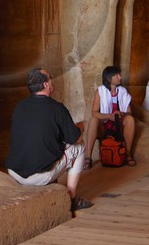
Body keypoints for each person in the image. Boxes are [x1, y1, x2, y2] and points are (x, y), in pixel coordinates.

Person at [6, 68, 90, 212]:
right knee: (80, 146)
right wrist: (81, 126)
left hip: (14, 171)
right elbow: (75, 138)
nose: (52, 80)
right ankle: (72, 197)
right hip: (38, 176)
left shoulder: (20, 107)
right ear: (46, 85)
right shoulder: (57, 108)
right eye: (50, 78)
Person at [84, 65, 137, 167]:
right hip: (105, 127)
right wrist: (109, 116)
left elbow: (129, 112)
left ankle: (128, 154)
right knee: (94, 120)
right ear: (109, 78)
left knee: (130, 119)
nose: (120, 77)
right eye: (117, 75)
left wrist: (121, 113)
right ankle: (88, 158)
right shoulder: (100, 91)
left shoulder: (122, 91)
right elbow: (94, 112)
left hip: (119, 126)